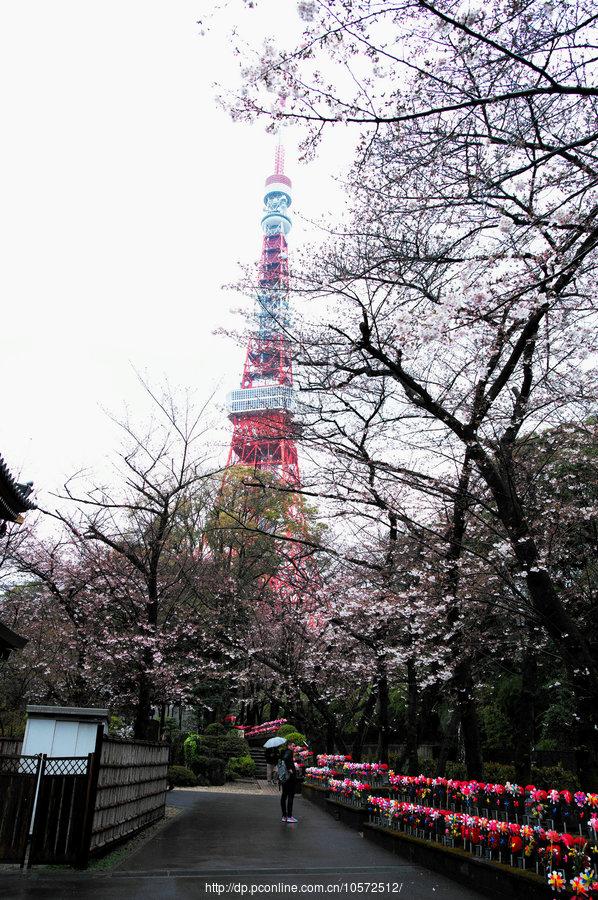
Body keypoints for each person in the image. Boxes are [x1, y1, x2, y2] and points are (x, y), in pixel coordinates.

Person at [279, 747, 298, 823]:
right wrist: (290, 769)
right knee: (290, 796)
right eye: (293, 745)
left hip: (284, 778)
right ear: (289, 745)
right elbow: (286, 759)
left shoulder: (282, 752)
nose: (294, 747)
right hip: (290, 778)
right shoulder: (289, 752)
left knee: (284, 796)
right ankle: (289, 816)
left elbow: (281, 761)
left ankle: (284, 816)